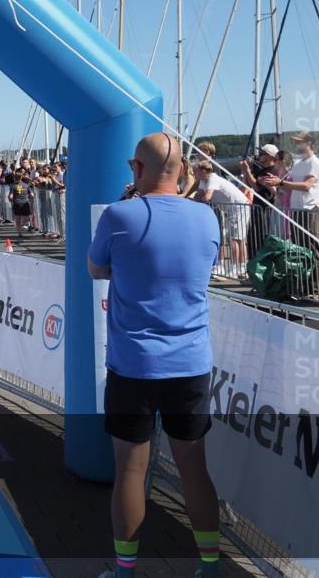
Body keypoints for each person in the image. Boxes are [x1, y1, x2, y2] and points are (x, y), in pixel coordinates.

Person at [89, 132, 221, 578]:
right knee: (194, 468)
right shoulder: (206, 218)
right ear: (183, 172)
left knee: (131, 469)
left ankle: (125, 570)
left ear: (137, 170)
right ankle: (209, 565)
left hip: (135, 365)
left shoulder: (119, 215)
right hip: (191, 363)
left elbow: (95, 268)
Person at [262, 131, 319, 299]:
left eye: (299, 142)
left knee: (312, 250)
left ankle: (316, 290)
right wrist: (277, 184)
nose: (296, 145)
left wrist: (280, 182)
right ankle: (303, 288)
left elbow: (307, 185)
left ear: (309, 143)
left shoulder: (314, 163)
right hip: (297, 210)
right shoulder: (300, 163)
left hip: (309, 210)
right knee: (300, 252)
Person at [194, 161, 251, 279]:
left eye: (196, 170)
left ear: (203, 171)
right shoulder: (203, 181)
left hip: (238, 207)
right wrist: (200, 197)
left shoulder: (212, 179)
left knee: (236, 239)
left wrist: (202, 197)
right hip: (232, 209)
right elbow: (198, 196)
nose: (195, 173)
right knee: (237, 238)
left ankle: (237, 268)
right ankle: (240, 267)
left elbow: (206, 197)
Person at [8, 168, 32, 239]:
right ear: (21, 177)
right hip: (25, 203)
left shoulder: (13, 186)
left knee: (17, 220)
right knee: (27, 217)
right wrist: (31, 197)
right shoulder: (26, 185)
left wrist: (9, 199)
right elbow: (32, 194)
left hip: (17, 203)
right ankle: (23, 226)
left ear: (15, 177)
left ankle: (20, 233)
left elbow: (11, 196)